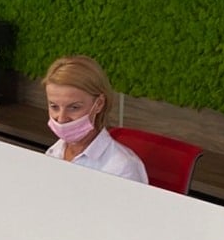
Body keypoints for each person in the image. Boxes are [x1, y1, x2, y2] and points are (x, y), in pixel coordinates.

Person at [42, 55, 148, 184]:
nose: (61, 119)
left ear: (99, 104)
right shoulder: (54, 151)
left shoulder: (123, 169)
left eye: (74, 107)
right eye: (54, 106)